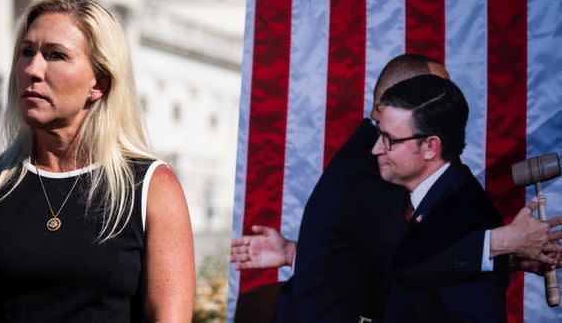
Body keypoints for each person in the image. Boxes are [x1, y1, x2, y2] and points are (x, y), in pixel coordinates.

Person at [231, 54, 562, 322]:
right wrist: (502, 243)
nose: (444, 104)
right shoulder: (373, 172)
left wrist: (294, 251)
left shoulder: (434, 186)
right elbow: (400, 262)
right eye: (431, 93)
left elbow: (393, 260)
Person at [0, 0, 195, 322]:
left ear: (98, 84)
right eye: (26, 52)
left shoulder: (152, 188)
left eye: (56, 55)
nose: (32, 69)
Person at [374, 74, 506, 321]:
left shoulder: (467, 217)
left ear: (430, 147)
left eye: (389, 140)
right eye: (379, 134)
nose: (376, 149)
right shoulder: (412, 198)